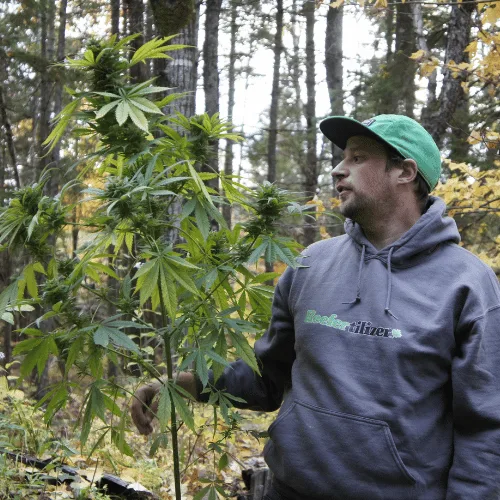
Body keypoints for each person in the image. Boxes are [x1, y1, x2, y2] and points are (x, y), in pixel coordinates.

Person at [131, 114, 500, 500]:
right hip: (290, 489)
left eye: (357, 158)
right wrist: (180, 383)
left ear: (405, 172)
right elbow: (268, 377)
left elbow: (485, 428)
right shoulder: (311, 265)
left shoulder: (467, 284)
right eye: (343, 157)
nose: (339, 170)